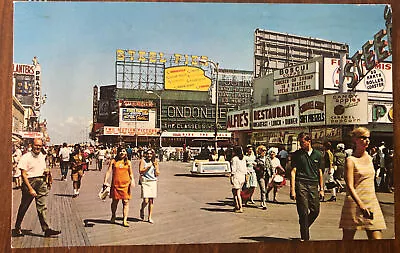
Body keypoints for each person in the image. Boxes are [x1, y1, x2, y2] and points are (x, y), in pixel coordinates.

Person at [339, 127, 386, 240]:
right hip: (355, 203)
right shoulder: (351, 160)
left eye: (368, 138)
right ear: (355, 139)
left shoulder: (370, 158)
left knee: (377, 239)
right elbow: (349, 185)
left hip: (371, 202)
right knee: (347, 242)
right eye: (363, 138)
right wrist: (360, 204)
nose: (367, 141)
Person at [13, 138, 61, 237]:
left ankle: (46, 229)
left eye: (40, 146)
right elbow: (23, 174)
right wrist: (30, 188)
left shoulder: (42, 156)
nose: (38, 147)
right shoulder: (26, 157)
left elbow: (42, 168)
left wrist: (47, 173)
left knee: (42, 207)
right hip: (30, 182)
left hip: (41, 182)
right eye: (36, 145)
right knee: (24, 206)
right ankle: (17, 227)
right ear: (32, 145)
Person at [290, 132, 324, 241]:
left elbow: (320, 172)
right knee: (303, 211)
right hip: (301, 184)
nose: (300, 144)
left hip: (313, 184)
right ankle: (305, 239)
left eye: (302, 142)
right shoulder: (297, 155)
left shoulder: (318, 155)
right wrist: (292, 190)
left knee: (315, 211)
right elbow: (293, 172)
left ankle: (304, 226)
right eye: (299, 142)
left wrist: (322, 189)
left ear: (309, 141)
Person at [103, 146, 134, 227]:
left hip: (126, 185)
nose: (122, 153)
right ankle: (113, 215)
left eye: (123, 151)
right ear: (118, 152)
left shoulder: (128, 162)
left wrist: (132, 180)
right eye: (120, 151)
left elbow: (131, 173)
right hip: (116, 184)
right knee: (115, 202)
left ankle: (125, 220)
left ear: (126, 152)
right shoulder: (113, 161)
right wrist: (105, 181)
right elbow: (109, 171)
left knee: (126, 202)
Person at [139, 149, 160, 224]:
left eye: (151, 154)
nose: (149, 155)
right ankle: (142, 209)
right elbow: (140, 171)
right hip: (145, 181)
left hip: (153, 181)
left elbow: (157, 173)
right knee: (146, 200)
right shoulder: (143, 161)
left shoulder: (155, 162)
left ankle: (149, 217)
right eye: (148, 153)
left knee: (151, 200)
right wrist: (148, 167)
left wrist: (156, 169)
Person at [230, 146, 247, 213]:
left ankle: (240, 208)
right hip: (242, 176)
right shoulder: (243, 158)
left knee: (237, 193)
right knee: (234, 191)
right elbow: (245, 168)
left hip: (236, 176)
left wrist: (231, 177)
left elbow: (233, 169)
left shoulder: (234, 159)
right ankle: (236, 205)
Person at [254, 145, 272, 210]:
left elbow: (271, 166)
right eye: (263, 150)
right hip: (261, 175)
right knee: (263, 189)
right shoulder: (257, 159)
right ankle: (264, 203)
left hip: (267, 175)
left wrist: (271, 174)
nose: (264, 152)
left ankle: (262, 200)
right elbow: (255, 167)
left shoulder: (267, 158)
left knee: (265, 189)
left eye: (265, 150)